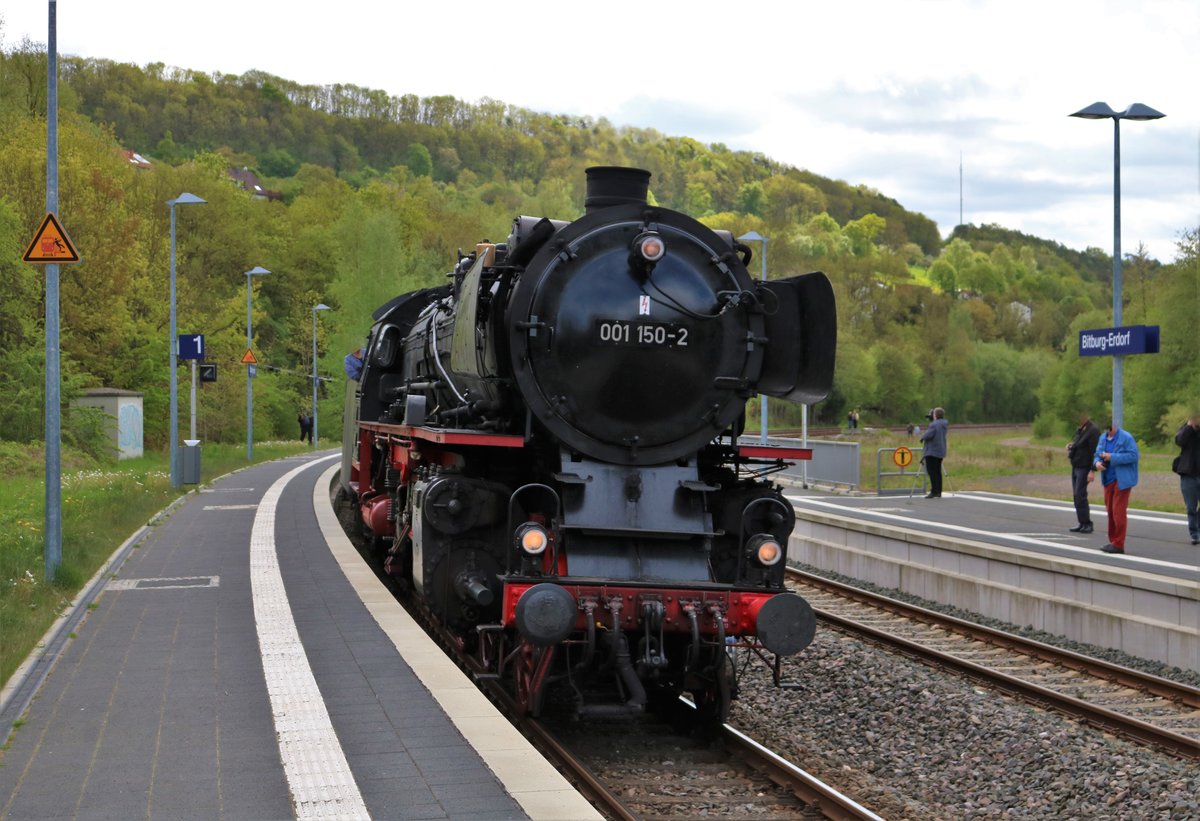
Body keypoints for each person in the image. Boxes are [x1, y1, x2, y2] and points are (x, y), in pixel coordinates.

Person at [1092, 419, 1138, 554]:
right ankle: (1113, 541)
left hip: (1122, 480)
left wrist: (1112, 457)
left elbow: (1134, 456)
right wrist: (1097, 463)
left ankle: (1119, 543)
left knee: (1118, 511)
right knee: (1110, 511)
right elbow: (1097, 455)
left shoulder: (1126, 437)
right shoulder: (1103, 438)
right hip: (1108, 479)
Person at [1066, 413, 1101, 533]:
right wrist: (1071, 446)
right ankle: (1081, 522)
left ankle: (1087, 523)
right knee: (1076, 496)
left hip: (1085, 467)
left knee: (1080, 494)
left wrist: (1092, 470)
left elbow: (1094, 452)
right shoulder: (1081, 429)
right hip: (1076, 465)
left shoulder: (1093, 430)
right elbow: (1079, 445)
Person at [1174, 413, 1200, 545]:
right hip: (1188, 475)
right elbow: (1179, 441)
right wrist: (1190, 426)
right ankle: (1194, 534)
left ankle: (1198, 528)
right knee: (1191, 507)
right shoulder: (1186, 428)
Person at [920, 407, 948, 498]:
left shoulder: (934, 424)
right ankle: (938, 491)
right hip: (940, 451)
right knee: (938, 472)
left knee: (932, 472)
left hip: (932, 451)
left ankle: (934, 491)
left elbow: (928, 435)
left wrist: (922, 437)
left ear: (935, 415)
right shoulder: (944, 424)